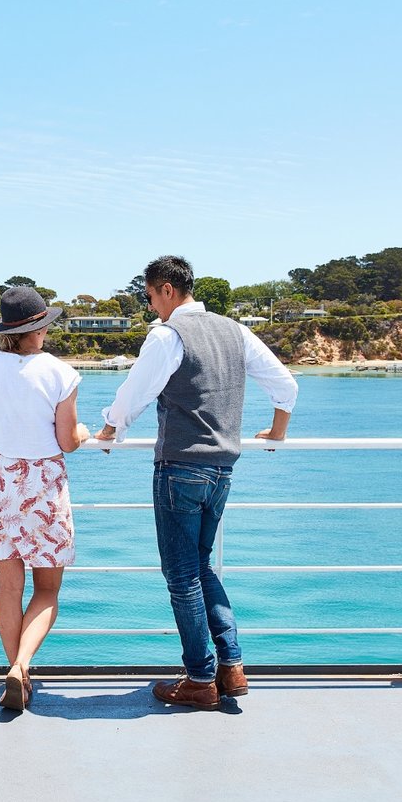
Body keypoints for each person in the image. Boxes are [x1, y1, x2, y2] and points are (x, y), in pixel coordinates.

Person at [94, 256, 298, 710]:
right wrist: (278, 430)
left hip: (180, 468)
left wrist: (111, 428)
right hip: (223, 468)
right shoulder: (234, 330)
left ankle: (201, 678)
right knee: (202, 568)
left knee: (182, 575)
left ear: (167, 289)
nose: (150, 307)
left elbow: (137, 390)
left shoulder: (168, 335)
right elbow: (285, 384)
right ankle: (232, 666)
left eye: (150, 297)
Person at [0, 286, 90, 710]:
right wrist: (87, 432)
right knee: (48, 589)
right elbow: (68, 441)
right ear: (40, 327)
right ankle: (21, 666)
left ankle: (16, 674)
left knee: (8, 588)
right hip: (43, 486)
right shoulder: (60, 373)